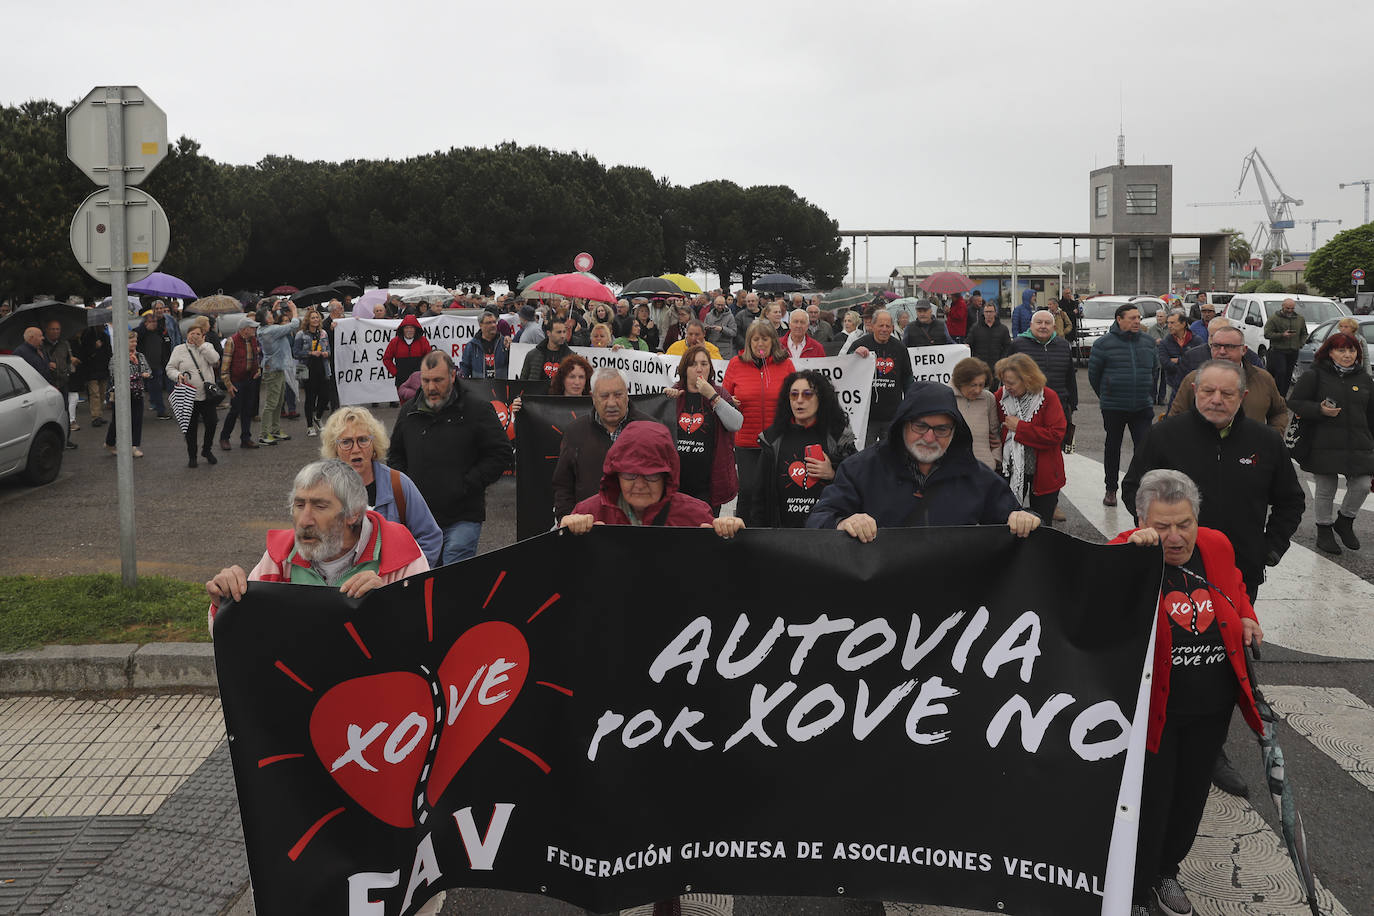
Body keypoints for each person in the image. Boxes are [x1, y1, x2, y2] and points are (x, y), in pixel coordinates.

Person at [1110, 469, 1265, 916]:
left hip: (1211, 706)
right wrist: (1133, 561)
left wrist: (1247, 616)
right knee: (1148, 803)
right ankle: (1133, 891)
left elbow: (1233, 587)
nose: (1175, 537)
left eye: (1184, 524)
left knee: (1189, 798)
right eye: (1162, 527)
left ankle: (1165, 873)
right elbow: (1094, 610)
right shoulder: (1124, 552)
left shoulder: (1216, 544)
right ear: (1142, 522)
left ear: (1197, 518)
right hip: (1155, 709)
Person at [1123, 360, 1304, 604]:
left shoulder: (1266, 441)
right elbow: (1133, 489)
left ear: (1243, 395)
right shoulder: (1164, 435)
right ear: (1195, 390)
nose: (1216, 399)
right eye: (1208, 391)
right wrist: (1155, 533)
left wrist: (1270, 548)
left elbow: (1291, 501)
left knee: (1235, 637)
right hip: (1172, 566)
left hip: (1239, 569)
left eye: (1227, 393)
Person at [205, 459, 430, 628]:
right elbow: (240, 636)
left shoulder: (400, 553)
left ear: (353, 514)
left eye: (320, 506)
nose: (304, 521)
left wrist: (389, 605)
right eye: (299, 505)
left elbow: (426, 634)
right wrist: (224, 603)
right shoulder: (281, 555)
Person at [807, 383, 1041, 538]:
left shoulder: (975, 475)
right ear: (902, 425)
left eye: (941, 429)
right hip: (880, 602)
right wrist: (842, 523)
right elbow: (817, 520)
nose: (929, 438)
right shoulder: (860, 469)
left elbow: (1018, 515)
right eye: (920, 426)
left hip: (951, 605)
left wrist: (1022, 518)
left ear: (955, 432)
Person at [388, 351, 512, 564]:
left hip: (463, 515)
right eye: (426, 380)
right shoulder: (410, 411)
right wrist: (407, 487)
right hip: (420, 518)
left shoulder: (477, 409)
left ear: (453, 376)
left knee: (453, 579)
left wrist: (469, 483)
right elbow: (395, 455)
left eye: (438, 380)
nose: (431, 387)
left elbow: (501, 453)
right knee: (424, 577)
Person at [558, 421, 745, 537]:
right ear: (616, 475)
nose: (639, 484)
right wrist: (565, 534)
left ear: (667, 476)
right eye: (630, 475)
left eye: (651, 475)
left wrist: (732, 538)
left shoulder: (695, 516)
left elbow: (720, 577)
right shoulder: (587, 512)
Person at [320, 406, 443, 567]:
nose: (356, 449)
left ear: (374, 445)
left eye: (363, 440)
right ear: (335, 449)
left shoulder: (398, 484)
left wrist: (408, 574)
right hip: (343, 586)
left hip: (392, 587)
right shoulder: (322, 490)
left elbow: (429, 536)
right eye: (346, 442)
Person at [1287, 332, 1374, 554]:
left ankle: (1345, 520)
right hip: (1322, 442)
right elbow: (1295, 402)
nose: (1347, 355)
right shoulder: (1315, 375)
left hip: (1359, 444)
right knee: (1326, 489)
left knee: (1363, 485)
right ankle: (1324, 530)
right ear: (1330, 352)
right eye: (1341, 350)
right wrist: (1319, 410)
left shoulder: (1365, 379)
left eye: (1352, 350)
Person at [748, 370, 856, 527]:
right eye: (794, 395)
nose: (799, 400)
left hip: (826, 535)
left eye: (807, 394)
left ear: (821, 398)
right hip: (783, 536)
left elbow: (856, 484)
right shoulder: (773, 438)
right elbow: (759, 496)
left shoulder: (838, 436)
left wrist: (832, 473)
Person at [552, 368, 650, 521]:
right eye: (604, 396)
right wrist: (568, 519)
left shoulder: (650, 429)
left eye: (618, 395)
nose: (611, 403)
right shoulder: (575, 432)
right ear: (592, 397)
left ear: (627, 393)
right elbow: (563, 485)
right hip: (587, 528)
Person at [1088, 302, 1160, 507]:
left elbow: (1154, 369)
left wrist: (1146, 391)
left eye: (1138, 318)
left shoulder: (1148, 342)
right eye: (1132, 318)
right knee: (1113, 448)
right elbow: (1094, 376)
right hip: (1114, 406)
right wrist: (1107, 395)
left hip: (1142, 406)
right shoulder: (1103, 344)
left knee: (1144, 450)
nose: (1137, 321)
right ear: (1119, 320)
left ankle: (1141, 489)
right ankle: (1111, 489)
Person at [661, 345, 742, 513]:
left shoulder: (720, 393)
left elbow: (736, 423)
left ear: (710, 368)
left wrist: (712, 396)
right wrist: (665, 400)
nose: (699, 368)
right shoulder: (674, 393)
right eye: (693, 364)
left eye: (704, 364)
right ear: (684, 368)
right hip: (676, 482)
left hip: (708, 484)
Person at [1167, 325, 1288, 434]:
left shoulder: (1263, 378)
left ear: (1244, 350)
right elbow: (1175, 418)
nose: (1222, 352)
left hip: (1251, 454)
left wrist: (1272, 438)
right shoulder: (1193, 379)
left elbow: (1279, 412)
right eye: (1216, 346)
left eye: (1230, 347)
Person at [722, 319, 796, 500]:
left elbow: (795, 397)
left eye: (764, 339)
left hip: (777, 441)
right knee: (748, 492)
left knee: (775, 492)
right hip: (746, 442)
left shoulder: (786, 364)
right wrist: (730, 401)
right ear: (748, 342)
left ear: (773, 341)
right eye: (755, 339)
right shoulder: (735, 364)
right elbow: (723, 399)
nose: (760, 344)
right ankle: (744, 527)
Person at [994, 353, 1067, 524]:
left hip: (1044, 472)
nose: (1007, 387)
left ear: (1027, 379)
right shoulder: (1000, 397)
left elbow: (1056, 434)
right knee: (1008, 522)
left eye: (1011, 382)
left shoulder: (1048, 397)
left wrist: (1020, 428)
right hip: (1009, 471)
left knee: (1042, 525)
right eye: (1004, 381)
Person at [1012, 309, 1078, 458]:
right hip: (1026, 409)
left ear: (1054, 327)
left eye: (1047, 323)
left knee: (1053, 454)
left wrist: (1072, 404)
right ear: (1031, 325)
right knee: (1027, 455)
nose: (1043, 326)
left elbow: (1070, 378)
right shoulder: (1017, 345)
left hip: (1058, 407)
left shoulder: (1063, 346)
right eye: (1039, 322)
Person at [844, 308, 914, 445]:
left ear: (893, 328)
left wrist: (909, 406)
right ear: (873, 326)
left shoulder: (900, 348)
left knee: (891, 454)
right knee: (866, 455)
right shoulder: (860, 344)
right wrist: (853, 353)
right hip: (867, 416)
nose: (884, 329)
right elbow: (845, 368)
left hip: (892, 415)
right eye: (881, 325)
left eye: (888, 326)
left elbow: (908, 379)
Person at [166, 321, 222, 468]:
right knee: (190, 428)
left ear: (203, 336)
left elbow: (215, 360)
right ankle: (192, 455)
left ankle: (207, 450)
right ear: (187, 335)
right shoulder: (179, 349)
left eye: (198, 334)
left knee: (211, 422)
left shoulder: (207, 347)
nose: (195, 336)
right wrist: (177, 375)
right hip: (188, 395)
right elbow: (170, 368)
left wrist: (202, 346)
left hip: (207, 395)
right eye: (192, 334)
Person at [256, 302, 301, 445]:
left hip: (277, 368)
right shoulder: (271, 330)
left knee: (279, 401)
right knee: (271, 403)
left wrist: (274, 310)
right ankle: (264, 434)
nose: (272, 316)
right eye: (270, 315)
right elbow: (293, 325)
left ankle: (275, 430)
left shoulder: (262, 329)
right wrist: (294, 310)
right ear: (266, 319)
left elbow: (269, 320)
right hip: (274, 370)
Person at [950, 357, 1001, 470]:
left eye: (981, 385)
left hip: (985, 469)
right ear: (961, 382)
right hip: (954, 469)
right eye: (973, 385)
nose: (978, 390)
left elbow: (995, 433)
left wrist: (995, 459)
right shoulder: (946, 397)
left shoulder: (988, 398)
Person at [219, 318, 263, 450]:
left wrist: (258, 370)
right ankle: (224, 438)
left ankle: (246, 438)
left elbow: (256, 358)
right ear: (245, 329)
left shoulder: (253, 340)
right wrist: (228, 384)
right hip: (237, 381)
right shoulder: (232, 341)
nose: (255, 330)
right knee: (235, 410)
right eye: (253, 327)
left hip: (250, 379)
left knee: (247, 410)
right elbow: (225, 366)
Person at [107, 331, 151, 457]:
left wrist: (144, 373)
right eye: (131, 341)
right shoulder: (117, 357)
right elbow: (116, 375)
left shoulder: (140, 356)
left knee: (137, 420)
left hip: (137, 392)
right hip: (121, 394)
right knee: (118, 421)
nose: (134, 344)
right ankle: (109, 442)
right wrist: (139, 375)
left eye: (135, 341)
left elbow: (148, 370)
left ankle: (134, 446)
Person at [292, 309, 331, 436]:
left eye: (317, 317)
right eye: (313, 317)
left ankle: (318, 418)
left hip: (323, 367)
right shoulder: (301, 334)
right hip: (308, 368)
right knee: (310, 398)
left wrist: (326, 353)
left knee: (325, 396)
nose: (316, 319)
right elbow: (296, 353)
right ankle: (310, 426)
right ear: (308, 320)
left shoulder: (323, 333)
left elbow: (329, 350)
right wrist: (310, 353)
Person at [1262, 297, 1306, 394]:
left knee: (1288, 375)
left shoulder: (1300, 319)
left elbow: (1304, 333)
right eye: (1287, 308)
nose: (1290, 310)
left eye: (1292, 308)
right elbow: (1267, 334)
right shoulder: (1274, 318)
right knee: (1281, 372)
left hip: (1293, 351)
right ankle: (1277, 395)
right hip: (1278, 350)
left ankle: (1283, 397)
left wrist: (1301, 343)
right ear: (1282, 307)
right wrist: (1282, 335)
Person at [1158, 309, 1202, 404]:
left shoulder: (1197, 341)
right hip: (1173, 384)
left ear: (1183, 324)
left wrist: (1178, 360)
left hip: (1193, 384)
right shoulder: (1165, 343)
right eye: (1168, 323)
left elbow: (1199, 361)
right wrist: (1186, 363)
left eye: (1173, 323)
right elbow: (1165, 363)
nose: (1169, 326)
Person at [381, 314, 433, 395]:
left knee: (420, 404)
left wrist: (425, 372)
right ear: (403, 329)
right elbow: (386, 359)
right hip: (402, 380)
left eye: (412, 327)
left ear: (416, 329)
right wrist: (395, 373)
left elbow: (430, 358)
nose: (409, 330)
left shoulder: (423, 341)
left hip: (420, 380)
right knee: (405, 405)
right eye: (407, 328)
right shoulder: (395, 342)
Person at [136, 309, 173, 420]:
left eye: (155, 321)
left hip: (157, 365)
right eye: (151, 322)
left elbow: (166, 344)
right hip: (143, 365)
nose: (154, 324)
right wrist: (144, 328)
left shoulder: (159, 331)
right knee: (139, 390)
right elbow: (136, 337)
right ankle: (153, 408)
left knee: (157, 388)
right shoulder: (140, 332)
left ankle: (160, 410)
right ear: (145, 323)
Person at [74, 322, 112, 428]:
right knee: (94, 393)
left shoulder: (105, 337)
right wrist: (94, 348)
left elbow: (109, 352)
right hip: (91, 369)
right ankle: (95, 416)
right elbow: (84, 353)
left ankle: (99, 414)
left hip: (103, 369)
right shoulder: (87, 336)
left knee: (102, 393)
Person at [459, 311, 510, 379]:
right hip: (480, 388)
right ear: (480, 325)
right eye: (489, 323)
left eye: (494, 322)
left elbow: (513, 365)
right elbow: (465, 368)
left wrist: (509, 349)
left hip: (500, 387)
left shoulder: (504, 343)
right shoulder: (471, 346)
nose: (493, 325)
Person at [966, 300, 1012, 373]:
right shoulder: (975, 328)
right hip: (979, 366)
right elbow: (968, 344)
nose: (988, 314)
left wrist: (1002, 360)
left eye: (990, 312)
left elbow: (1008, 346)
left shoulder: (1003, 329)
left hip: (996, 366)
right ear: (983, 313)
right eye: (986, 312)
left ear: (995, 313)